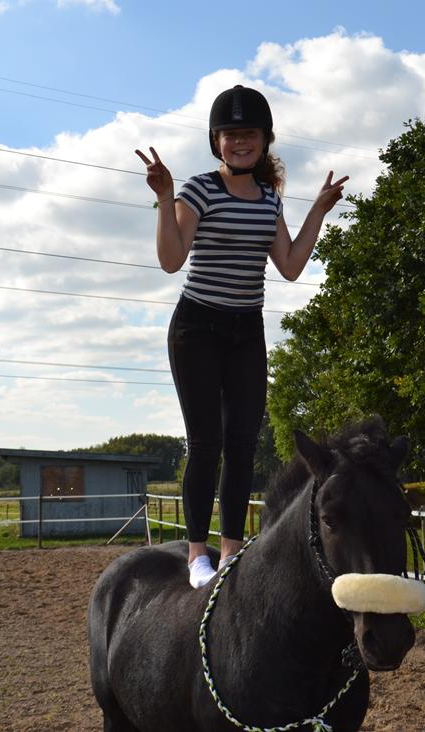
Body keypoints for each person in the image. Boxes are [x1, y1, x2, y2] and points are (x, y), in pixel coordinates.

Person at [136, 85, 348, 588]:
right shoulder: (199, 189)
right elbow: (171, 260)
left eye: (248, 133)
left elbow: (291, 265)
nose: (239, 142)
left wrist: (318, 209)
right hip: (197, 327)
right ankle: (196, 555)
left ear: (264, 139)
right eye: (230, 135)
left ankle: (230, 549)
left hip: (246, 329)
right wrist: (166, 199)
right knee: (206, 442)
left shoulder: (270, 197)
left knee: (243, 443)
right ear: (216, 142)